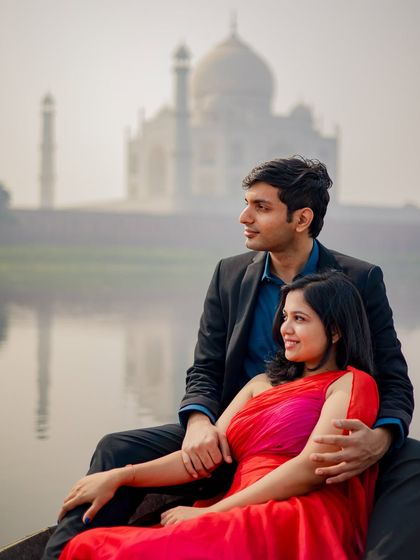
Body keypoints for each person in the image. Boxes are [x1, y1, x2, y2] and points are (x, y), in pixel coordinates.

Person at [43, 156, 419, 560]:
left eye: (261, 207)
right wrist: (199, 422)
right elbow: (204, 366)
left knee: (412, 457)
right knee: (116, 449)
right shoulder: (230, 274)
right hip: (234, 435)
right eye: (246, 203)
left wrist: (378, 440)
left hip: (320, 436)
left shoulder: (357, 279)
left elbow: (393, 379)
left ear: (301, 218)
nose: (244, 217)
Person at [58, 271, 380, 559]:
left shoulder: (350, 383)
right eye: (284, 317)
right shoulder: (260, 384)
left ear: (335, 331)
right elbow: (200, 459)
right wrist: (120, 476)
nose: (286, 329)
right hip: (237, 503)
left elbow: (311, 468)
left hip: (293, 511)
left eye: (300, 318)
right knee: (89, 545)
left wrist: (211, 512)